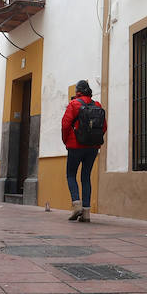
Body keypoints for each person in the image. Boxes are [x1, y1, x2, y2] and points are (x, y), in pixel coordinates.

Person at [61, 80, 105, 222]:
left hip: (75, 146)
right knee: (86, 176)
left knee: (71, 175)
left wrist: (66, 141)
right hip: (92, 148)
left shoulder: (74, 104)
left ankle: (76, 204)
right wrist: (93, 140)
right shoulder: (97, 105)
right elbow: (103, 126)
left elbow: (65, 125)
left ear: (78, 91)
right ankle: (86, 212)